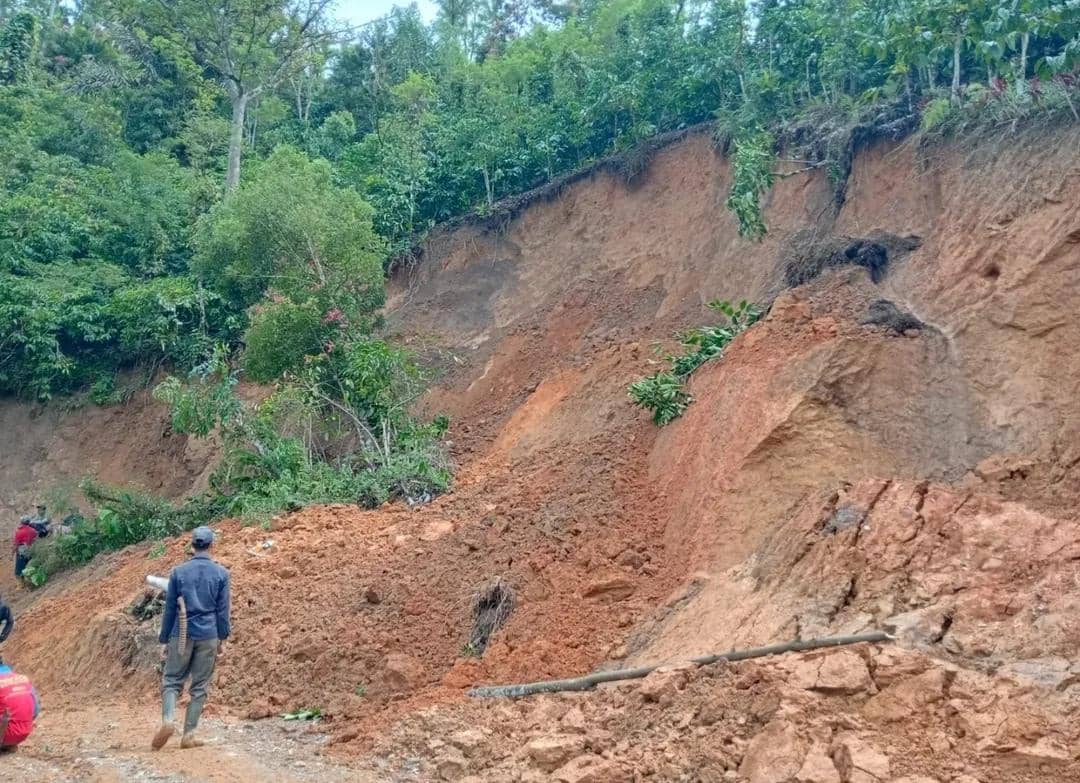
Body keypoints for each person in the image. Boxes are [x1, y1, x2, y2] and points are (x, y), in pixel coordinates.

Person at [152, 526, 230, 750]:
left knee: (172, 681)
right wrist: (222, 638)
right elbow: (223, 612)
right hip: (209, 634)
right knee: (200, 686)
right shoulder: (221, 574)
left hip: (182, 633)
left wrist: (165, 639)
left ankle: (168, 720)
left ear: (192, 545)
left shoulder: (178, 572)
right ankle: (189, 734)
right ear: (212, 545)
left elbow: (169, 610)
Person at [0, 655, 40, 752]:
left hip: (4, 733)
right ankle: (9, 744)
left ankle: (4, 742)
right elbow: (36, 710)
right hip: (23, 732)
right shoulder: (23, 678)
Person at [12, 517, 37, 582]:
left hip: (22, 553)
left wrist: (12, 553)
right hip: (32, 551)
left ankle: (21, 584)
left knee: (19, 571)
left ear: (21, 522)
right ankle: (31, 581)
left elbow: (16, 544)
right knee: (30, 568)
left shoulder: (19, 531)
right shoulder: (33, 531)